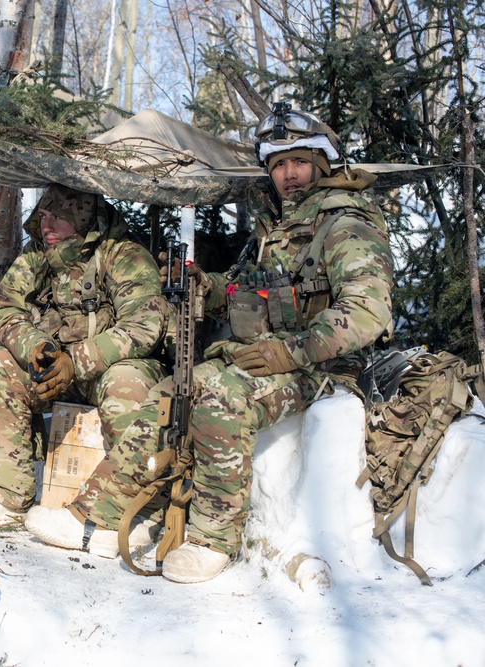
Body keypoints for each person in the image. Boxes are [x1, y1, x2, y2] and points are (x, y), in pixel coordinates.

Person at [25, 104, 395, 583]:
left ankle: (213, 538)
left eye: (299, 162)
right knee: (175, 391)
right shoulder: (275, 230)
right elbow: (245, 290)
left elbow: (368, 313)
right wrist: (205, 285)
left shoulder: (345, 224)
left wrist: (292, 351)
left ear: (321, 164)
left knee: (221, 397)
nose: (289, 175)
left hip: (324, 366)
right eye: (279, 165)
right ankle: (97, 513)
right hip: (265, 355)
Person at [0, 184, 172, 556]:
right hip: (56, 370)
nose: (47, 225)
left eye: (58, 216)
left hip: (112, 368)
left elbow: (143, 326)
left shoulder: (125, 256)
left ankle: (139, 511)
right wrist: (38, 349)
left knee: (129, 386)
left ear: (83, 217)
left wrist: (75, 362)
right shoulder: (36, 256)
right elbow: (3, 310)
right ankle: (6, 494)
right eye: (43, 215)